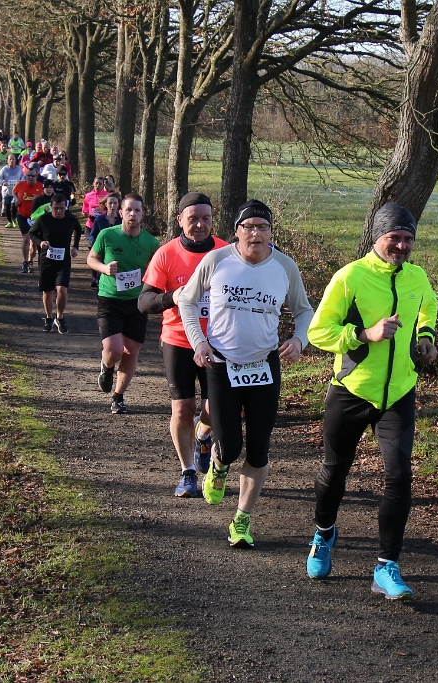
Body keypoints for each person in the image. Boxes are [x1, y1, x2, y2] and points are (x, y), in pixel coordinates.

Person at [304, 201, 438, 601]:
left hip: (398, 393)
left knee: (399, 476)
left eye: (408, 239)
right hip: (352, 390)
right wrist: (364, 335)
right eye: (394, 237)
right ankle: (323, 535)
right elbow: (318, 332)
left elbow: (428, 305)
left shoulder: (417, 277)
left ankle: (386, 565)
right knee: (334, 472)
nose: (401, 245)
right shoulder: (351, 277)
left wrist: (426, 336)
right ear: (378, 238)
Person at [178, 199, 313, 548]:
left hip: (265, 365)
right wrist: (199, 342)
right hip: (222, 364)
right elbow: (186, 300)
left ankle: (242, 520)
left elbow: (304, 310)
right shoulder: (217, 260)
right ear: (237, 231)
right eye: (249, 227)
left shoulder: (284, 266)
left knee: (258, 449)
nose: (256, 233)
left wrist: (299, 340)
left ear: (271, 232)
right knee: (231, 446)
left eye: (262, 227)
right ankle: (219, 463)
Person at [140, 192, 227, 497]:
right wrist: (171, 297)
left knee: (217, 408)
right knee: (182, 408)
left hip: (218, 340)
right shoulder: (166, 254)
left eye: (206, 218)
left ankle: (203, 434)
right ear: (180, 220)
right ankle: (187, 471)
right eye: (193, 219)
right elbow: (144, 302)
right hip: (178, 340)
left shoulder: (226, 252)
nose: (200, 225)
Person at [88, 193, 160, 414]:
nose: (133, 214)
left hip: (137, 302)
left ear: (143, 214)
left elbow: (159, 270)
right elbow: (91, 258)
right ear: (121, 212)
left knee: (131, 351)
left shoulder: (151, 243)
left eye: (137, 210)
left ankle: (118, 397)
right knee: (114, 350)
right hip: (110, 299)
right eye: (128, 210)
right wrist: (104, 269)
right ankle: (107, 365)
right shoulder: (107, 235)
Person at [29, 194, 82, 333]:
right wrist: (40, 242)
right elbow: (32, 233)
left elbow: (78, 229)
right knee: (48, 291)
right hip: (46, 260)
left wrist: (75, 246)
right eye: (56, 208)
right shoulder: (43, 219)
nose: (58, 211)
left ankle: (60, 317)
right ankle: (48, 318)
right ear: (51, 207)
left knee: (62, 290)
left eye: (61, 208)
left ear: (66, 207)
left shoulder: (71, 219)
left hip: (63, 261)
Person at [12, 165, 45, 273]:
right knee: (26, 239)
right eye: (28, 175)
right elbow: (13, 191)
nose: (30, 177)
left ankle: (30, 261)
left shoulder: (41, 187)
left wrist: (39, 198)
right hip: (22, 216)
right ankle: (25, 262)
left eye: (32, 176)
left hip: (35, 218)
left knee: (33, 242)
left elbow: (47, 199)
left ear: (36, 176)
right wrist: (16, 199)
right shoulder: (20, 184)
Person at [87, 192, 121, 288]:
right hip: (103, 250)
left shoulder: (122, 220)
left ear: (118, 204)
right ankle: (99, 281)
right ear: (106, 204)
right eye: (110, 203)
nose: (112, 206)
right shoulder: (100, 219)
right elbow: (92, 235)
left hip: (119, 250)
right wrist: (96, 244)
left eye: (115, 203)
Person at [0, 154, 25, 228]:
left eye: (13, 159)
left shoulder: (19, 169)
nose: (11, 161)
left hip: (16, 192)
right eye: (10, 159)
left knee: (14, 205)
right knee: (7, 206)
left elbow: (23, 177)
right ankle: (9, 221)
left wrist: (20, 183)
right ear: (7, 160)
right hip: (6, 191)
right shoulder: (4, 169)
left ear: (15, 160)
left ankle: (14, 219)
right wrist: (3, 182)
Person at [81, 177, 110, 243]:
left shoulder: (107, 195)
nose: (98, 185)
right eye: (96, 183)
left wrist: (103, 211)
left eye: (100, 184)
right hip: (90, 224)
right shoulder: (88, 195)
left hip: (102, 224)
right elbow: (84, 210)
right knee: (91, 243)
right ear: (93, 183)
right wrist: (85, 214)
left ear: (103, 185)